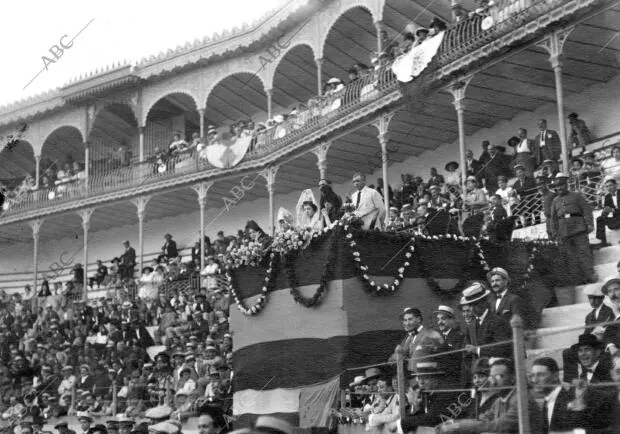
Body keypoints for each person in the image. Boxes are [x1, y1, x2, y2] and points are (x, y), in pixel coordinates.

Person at [437, 358, 543, 433]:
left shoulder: (520, 400)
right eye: (491, 377)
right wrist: (452, 423)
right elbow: (481, 420)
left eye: (498, 376)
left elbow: (498, 426)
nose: (493, 382)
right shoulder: (499, 401)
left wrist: (457, 426)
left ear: (513, 379)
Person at [530, 356, 614, 432]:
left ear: (555, 376)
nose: (534, 380)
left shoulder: (573, 396)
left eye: (540, 375)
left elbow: (581, 427)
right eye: (532, 375)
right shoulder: (548, 400)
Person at [549, 173, 596, 282]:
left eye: (562, 185)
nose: (560, 188)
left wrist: (589, 224)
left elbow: (587, 210)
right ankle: (577, 279)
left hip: (578, 228)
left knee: (583, 253)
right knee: (570, 257)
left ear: (567, 185)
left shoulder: (576, 196)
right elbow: (553, 219)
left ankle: (589, 276)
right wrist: (555, 234)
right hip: (564, 232)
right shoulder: (555, 201)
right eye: (557, 186)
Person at [460, 282, 513, 371]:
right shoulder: (471, 326)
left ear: (484, 302)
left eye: (475, 304)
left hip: (494, 372)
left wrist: (478, 350)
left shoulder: (498, 321)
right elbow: (466, 355)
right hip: (477, 375)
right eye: (470, 305)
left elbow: (504, 349)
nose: (472, 309)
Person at [395, 361, 458, 432]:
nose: (421, 382)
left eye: (425, 377)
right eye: (419, 377)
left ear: (436, 379)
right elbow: (417, 417)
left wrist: (401, 423)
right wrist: (414, 406)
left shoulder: (443, 393)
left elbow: (430, 419)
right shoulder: (424, 393)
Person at [389, 307, 443, 372]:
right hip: (411, 376)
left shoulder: (430, 334)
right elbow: (393, 358)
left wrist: (404, 359)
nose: (407, 323)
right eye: (405, 320)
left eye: (410, 319)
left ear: (419, 319)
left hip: (424, 376)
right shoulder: (409, 337)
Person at [433, 305, 464, 387]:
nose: (439, 322)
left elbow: (457, 359)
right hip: (438, 380)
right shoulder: (437, 337)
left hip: (452, 380)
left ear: (452, 320)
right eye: (438, 319)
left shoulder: (459, 336)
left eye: (443, 319)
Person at [593, 178, 620, 248]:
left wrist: (613, 210)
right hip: (616, 220)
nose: (609, 188)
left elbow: (612, 210)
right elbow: (607, 210)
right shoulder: (607, 197)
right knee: (599, 219)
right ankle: (602, 242)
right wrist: (604, 213)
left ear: (616, 185)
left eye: (611, 185)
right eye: (607, 186)